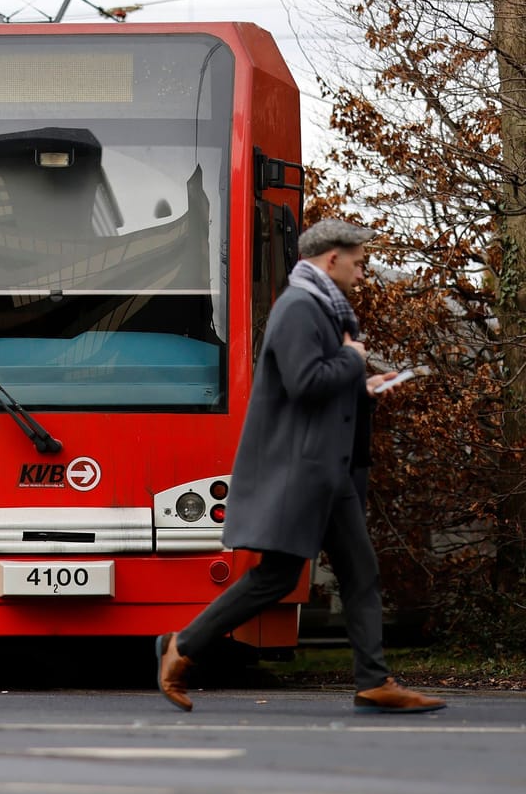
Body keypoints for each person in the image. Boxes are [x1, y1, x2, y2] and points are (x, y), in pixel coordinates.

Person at [156, 218, 445, 714]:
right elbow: (304, 383)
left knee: (361, 574)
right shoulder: (298, 308)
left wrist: (364, 387)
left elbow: (320, 390)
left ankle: (374, 681)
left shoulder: (324, 309)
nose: (360, 271)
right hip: (302, 472)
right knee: (275, 579)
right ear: (332, 259)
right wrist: (354, 362)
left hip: (327, 472)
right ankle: (180, 647)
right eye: (357, 261)